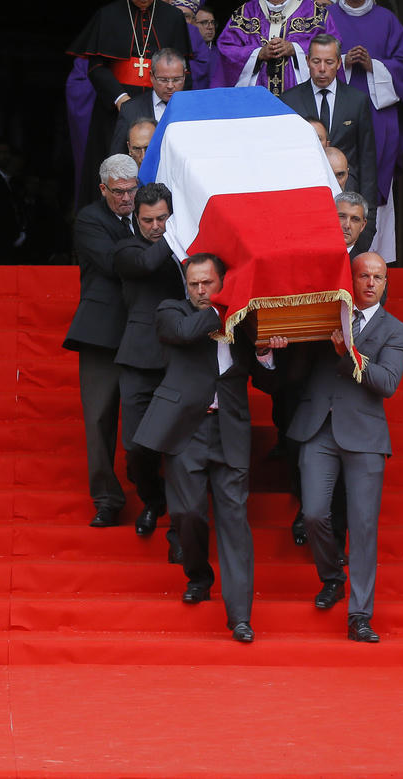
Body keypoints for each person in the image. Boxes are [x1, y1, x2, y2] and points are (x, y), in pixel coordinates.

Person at [133, 254, 279, 643]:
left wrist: (265, 350)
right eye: (194, 283)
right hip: (185, 431)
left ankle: (241, 616)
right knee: (187, 514)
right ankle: (199, 575)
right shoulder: (171, 310)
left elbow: (269, 383)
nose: (199, 290)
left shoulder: (244, 319)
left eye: (207, 284)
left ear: (221, 282)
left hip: (229, 430)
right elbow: (182, 333)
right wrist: (225, 306)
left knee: (234, 522)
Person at [285, 252, 403, 643]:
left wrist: (349, 355)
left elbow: (387, 383)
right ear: (350, 279)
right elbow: (294, 372)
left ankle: (360, 615)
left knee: (364, 526)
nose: (372, 283)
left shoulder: (396, 330)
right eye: (364, 276)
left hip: (365, 436)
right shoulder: (327, 314)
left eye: (379, 277)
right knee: (315, 514)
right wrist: (273, 347)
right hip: (318, 427)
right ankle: (333, 577)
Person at [67, 0, 192, 206]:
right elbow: (97, 67)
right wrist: (120, 98)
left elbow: (182, 67)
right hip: (116, 106)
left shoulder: (173, 17)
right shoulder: (108, 15)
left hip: (159, 106)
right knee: (112, 163)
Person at [329, 0, 403, 263]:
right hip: (336, 120)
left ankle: (373, 265)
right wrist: (342, 64)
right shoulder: (326, 19)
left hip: (377, 122)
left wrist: (374, 65)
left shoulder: (387, 21)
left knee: (374, 186)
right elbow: (312, 64)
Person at [64, 154, 139, 526]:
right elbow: (112, 263)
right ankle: (106, 498)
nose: (126, 198)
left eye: (131, 190)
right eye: (118, 192)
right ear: (103, 189)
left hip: (144, 326)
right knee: (98, 417)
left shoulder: (149, 214)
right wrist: (149, 247)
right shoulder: (91, 218)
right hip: (101, 330)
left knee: (144, 415)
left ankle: (150, 491)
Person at [112, 183, 184, 548]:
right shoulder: (128, 248)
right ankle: (154, 501)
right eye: (148, 220)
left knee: (176, 447)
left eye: (163, 218)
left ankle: (176, 523)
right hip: (139, 359)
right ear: (136, 219)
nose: (156, 226)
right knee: (137, 447)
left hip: (180, 360)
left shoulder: (188, 251)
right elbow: (145, 264)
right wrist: (176, 232)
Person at [281, 34, 378, 207]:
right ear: (307, 61)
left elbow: (367, 162)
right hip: (303, 197)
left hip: (347, 200)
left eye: (329, 62)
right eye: (316, 61)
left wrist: (368, 221)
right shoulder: (289, 101)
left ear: (339, 63)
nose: (322, 68)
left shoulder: (357, 101)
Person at [110, 49, 186, 157]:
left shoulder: (195, 108)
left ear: (185, 76)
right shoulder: (130, 110)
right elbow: (118, 159)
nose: (170, 86)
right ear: (151, 76)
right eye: (163, 80)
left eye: (176, 79)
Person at [337, 191, 370, 258]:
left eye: (355, 219)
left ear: (362, 225)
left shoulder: (364, 264)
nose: (347, 225)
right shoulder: (314, 256)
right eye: (342, 216)